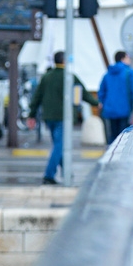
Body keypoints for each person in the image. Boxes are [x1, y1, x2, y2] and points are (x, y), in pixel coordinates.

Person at [28, 51, 98, 185]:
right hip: (64, 117)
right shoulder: (70, 77)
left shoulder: (47, 77)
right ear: (64, 61)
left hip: (49, 117)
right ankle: (49, 175)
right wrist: (96, 103)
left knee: (58, 145)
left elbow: (37, 96)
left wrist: (32, 114)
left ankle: (67, 172)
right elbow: (83, 93)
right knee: (60, 146)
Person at [98, 51, 133, 145]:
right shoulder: (129, 72)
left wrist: (103, 103)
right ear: (123, 59)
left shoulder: (107, 74)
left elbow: (102, 91)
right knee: (123, 138)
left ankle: (111, 153)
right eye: (128, 57)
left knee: (112, 137)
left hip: (110, 110)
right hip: (124, 110)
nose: (129, 60)